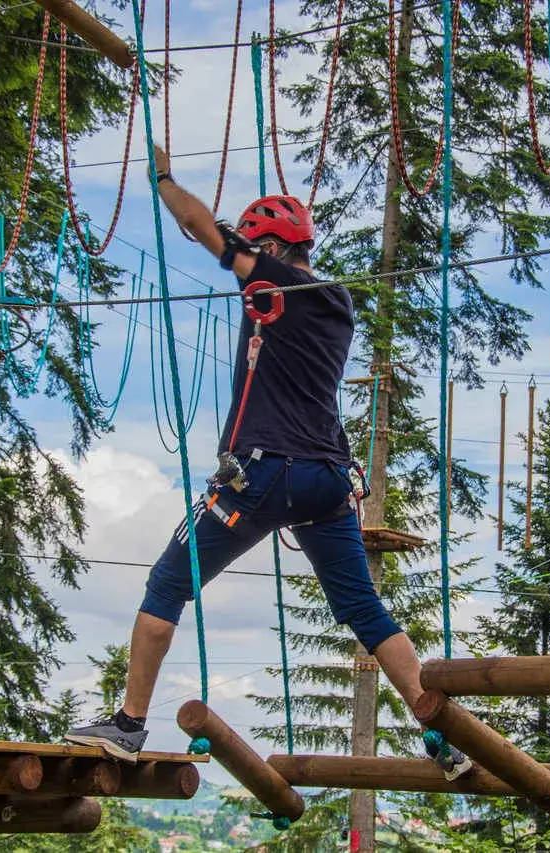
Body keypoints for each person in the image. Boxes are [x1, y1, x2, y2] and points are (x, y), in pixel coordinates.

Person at [66, 145, 473, 782]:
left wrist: (166, 180)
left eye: (257, 250)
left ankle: (127, 723)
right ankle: (444, 738)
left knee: (167, 585)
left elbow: (204, 231)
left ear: (274, 249)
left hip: (266, 473)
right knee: (366, 612)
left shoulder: (279, 282)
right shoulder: (335, 303)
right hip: (328, 482)